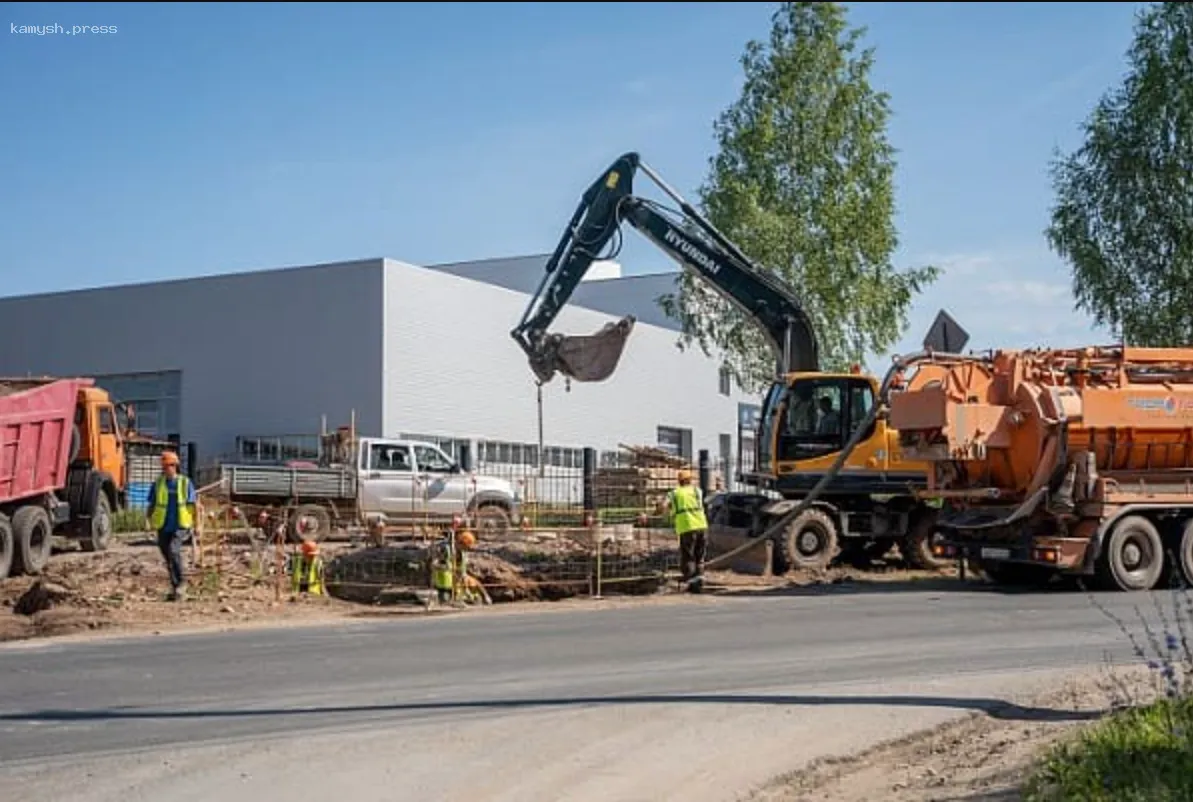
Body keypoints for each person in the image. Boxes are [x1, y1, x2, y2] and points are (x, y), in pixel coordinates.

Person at [146, 450, 196, 601]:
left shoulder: (184, 482)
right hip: (164, 525)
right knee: (168, 556)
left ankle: (182, 582)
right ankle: (175, 588)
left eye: (169, 466)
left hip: (181, 525)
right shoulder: (158, 483)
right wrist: (147, 521)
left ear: (175, 466)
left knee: (174, 550)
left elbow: (194, 505)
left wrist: (197, 525)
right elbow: (152, 504)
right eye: (164, 466)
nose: (166, 469)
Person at [667, 469, 709, 593]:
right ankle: (699, 584)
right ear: (690, 480)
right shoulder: (697, 491)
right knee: (700, 556)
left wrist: (650, 515)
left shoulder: (674, 493)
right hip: (702, 526)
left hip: (687, 528)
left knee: (688, 556)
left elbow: (664, 506)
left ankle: (692, 584)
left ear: (679, 481)